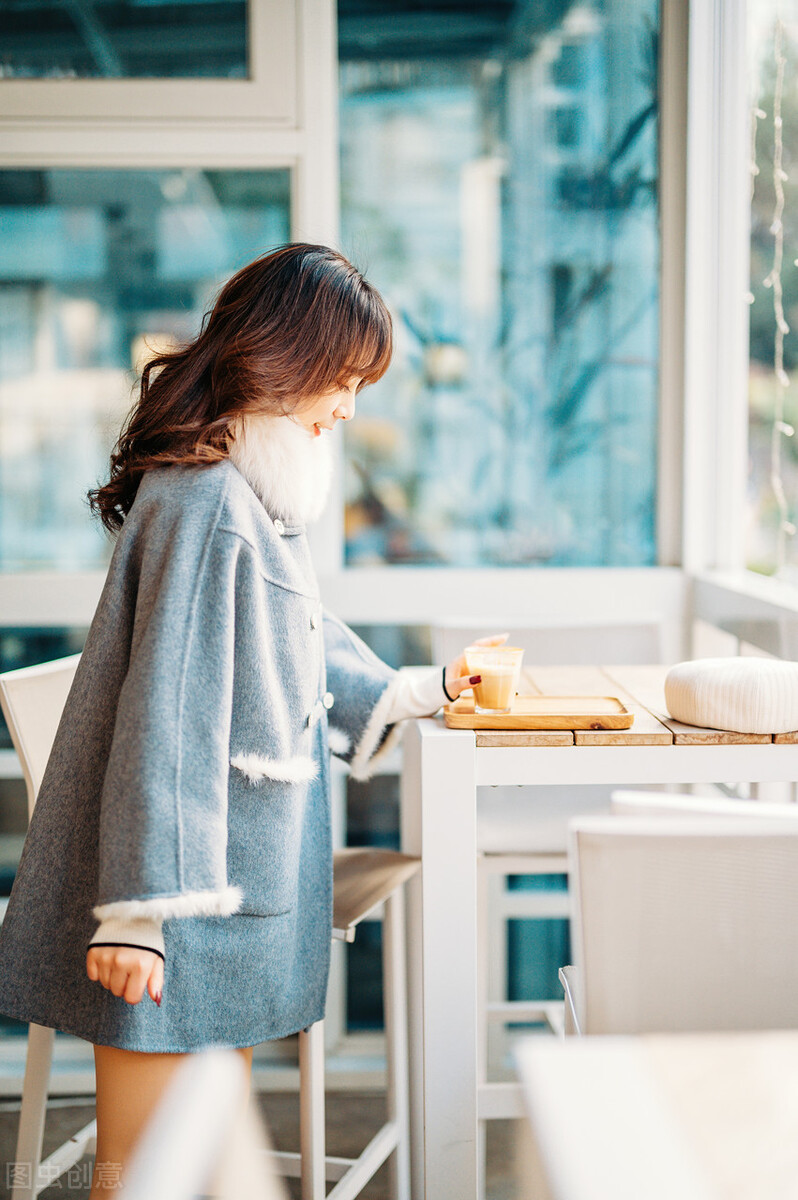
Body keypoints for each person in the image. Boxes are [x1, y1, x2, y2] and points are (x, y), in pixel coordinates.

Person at [0, 244, 499, 1198]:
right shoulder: (208, 505)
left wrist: (418, 690)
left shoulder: (239, 493)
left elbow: (295, 635)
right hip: (182, 902)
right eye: (346, 381)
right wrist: (141, 915)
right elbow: (168, 719)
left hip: (216, 885)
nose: (350, 408)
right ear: (290, 360)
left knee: (193, 1169)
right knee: (144, 1179)